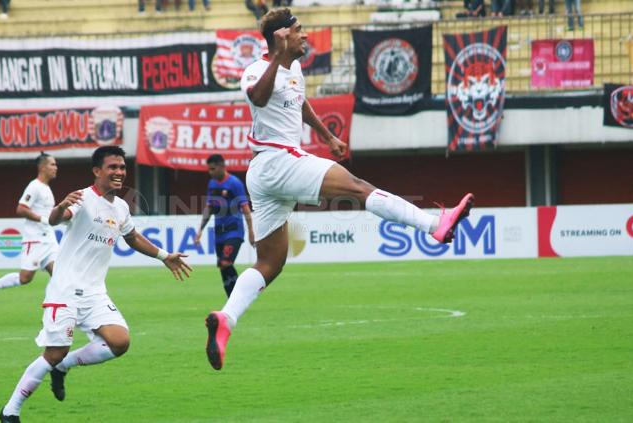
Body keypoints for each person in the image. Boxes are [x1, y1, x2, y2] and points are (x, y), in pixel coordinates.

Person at [203, 8, 475, 371]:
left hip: (268, 171)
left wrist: (326, 134)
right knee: (361, 189)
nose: (305, 36)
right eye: (298, 31)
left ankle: (226, 321)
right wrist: (280, 59)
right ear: (280, 37)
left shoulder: (294, 68)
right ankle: (434, 226)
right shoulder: (256, 69)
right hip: (277, 161)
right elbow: (260, 97)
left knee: (271, 261)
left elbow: (297, 102)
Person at [0, 146, 192, 423]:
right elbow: (55, 220)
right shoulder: (82, 198)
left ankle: (63, 367)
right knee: (54, 352)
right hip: (65, 290)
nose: (119, 172)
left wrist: (163, 256)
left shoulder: (121, 207)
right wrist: (61, 206)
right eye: (112, 167)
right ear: (97, 171)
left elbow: (133, 237)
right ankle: (10, 410)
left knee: (120, 342)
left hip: (94, 292)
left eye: (122, 167)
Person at [0, 152, 59, 309]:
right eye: (52, 164)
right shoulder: (34, 186)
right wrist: (41, 219)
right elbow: (21, 209)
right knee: (25, 278)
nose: (56, 167)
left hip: (49, 239)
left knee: (60, 275)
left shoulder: (46, 188)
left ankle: (51, 310)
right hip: (35, 240)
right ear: (42, 167)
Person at [195, 154, 255, 297]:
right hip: (219, 233)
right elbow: (209, 208)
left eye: (213, 169)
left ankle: (243, 293)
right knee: (222, 266)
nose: (210, 172)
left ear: (222, 166)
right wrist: (200, 230)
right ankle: (232, 299)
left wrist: (251, 231)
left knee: (226, 262)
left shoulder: (235, 183)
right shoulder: (212, 184)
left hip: (234, 231)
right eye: (209, 169)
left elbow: (245, 208)